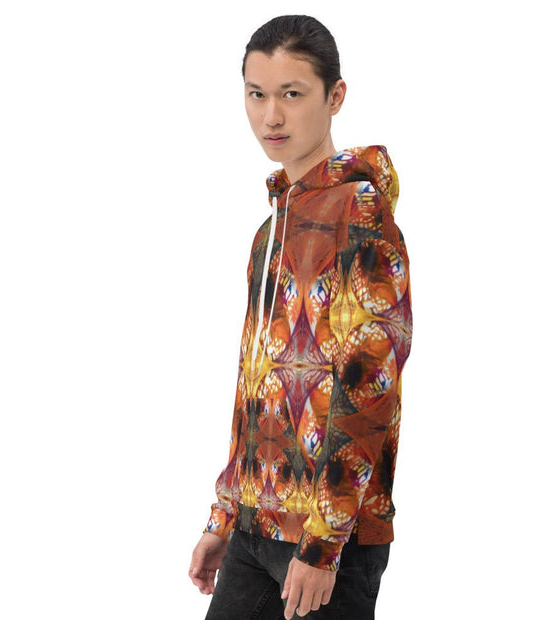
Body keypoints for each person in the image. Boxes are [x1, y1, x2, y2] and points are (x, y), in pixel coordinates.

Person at [188, 14, 413, 620]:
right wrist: (225, 514)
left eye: (292, 94)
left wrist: (322, 543)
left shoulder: (360, 212)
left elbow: (370, 384)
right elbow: (254, 385)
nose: (271, 116)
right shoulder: (269, 233)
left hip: (329, 543)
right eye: (256, 94)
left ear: (335, 96)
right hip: (255, 526)